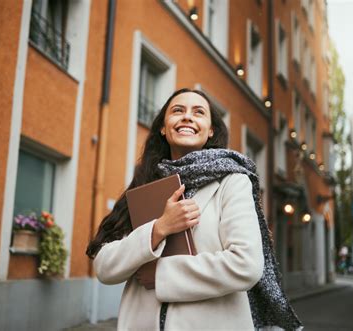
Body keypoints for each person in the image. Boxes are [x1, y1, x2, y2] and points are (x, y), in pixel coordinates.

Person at [86, 88, 302, 330]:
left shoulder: (232, 181)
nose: (187, 117)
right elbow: (104, 267)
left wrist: (160, 274)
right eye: (178, 110)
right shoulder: (145, 184)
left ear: (210, 131)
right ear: (163, 127)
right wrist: (158, 229)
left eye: (198, 112)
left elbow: (246, 264)